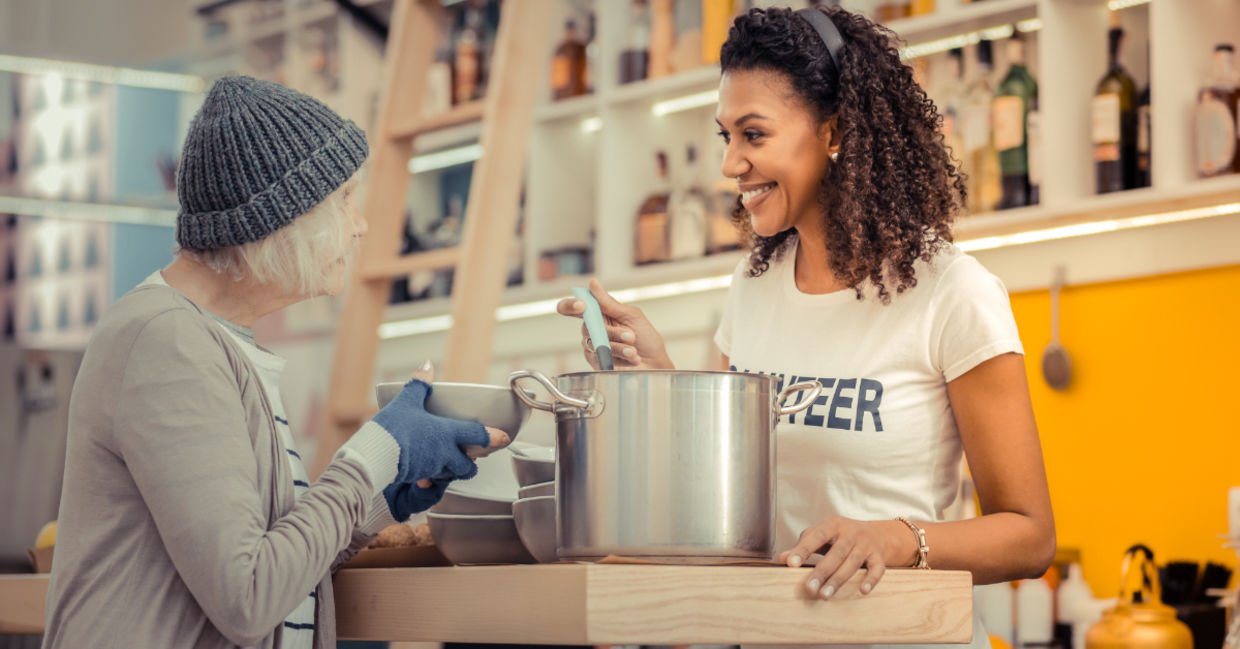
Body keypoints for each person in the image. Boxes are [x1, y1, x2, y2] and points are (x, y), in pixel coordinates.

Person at [559, 6, 1054, 646]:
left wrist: (896, 538)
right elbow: (720, 496)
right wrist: (662, 377)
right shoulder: (754, 287)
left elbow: (1030, 535)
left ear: (834, 131)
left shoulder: (952, 293)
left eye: (754, 135)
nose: (730, 164)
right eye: (725, 137)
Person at [42, 75, 507, 649]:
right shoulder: (166, 340)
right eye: (343, 200)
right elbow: (248, 598)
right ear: (278, 219)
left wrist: (374, 505)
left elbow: (275, 569)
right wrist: (374, 452)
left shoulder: (220, 343)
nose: (360, 225)